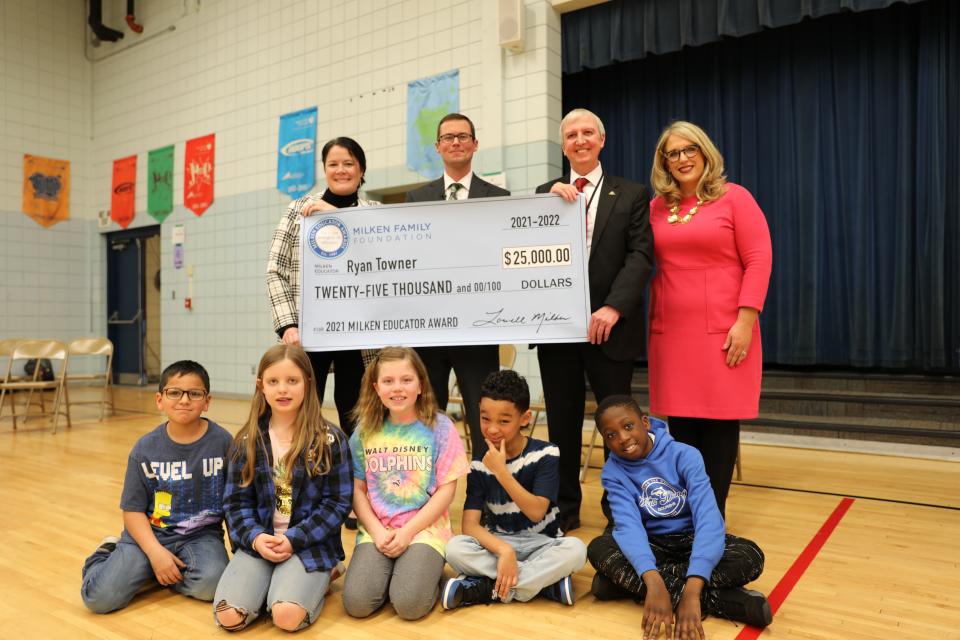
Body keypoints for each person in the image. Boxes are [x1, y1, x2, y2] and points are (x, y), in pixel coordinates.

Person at [535, 108, 654, 532]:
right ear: (563, 144)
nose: (580, 140)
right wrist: (543, 204)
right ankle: (565, 509)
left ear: (601, 140)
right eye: (571, 134)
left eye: (588, 133)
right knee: (562, 426)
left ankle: (619, 509)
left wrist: (613, 307)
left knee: (617, 426)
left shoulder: (633, 193)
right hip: (557, 332)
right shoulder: (544, 194)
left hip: (611, 329)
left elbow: (640, 257)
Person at [648, 121, 772, 518]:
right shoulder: (655, 208)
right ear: (664, 162)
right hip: (672, 333)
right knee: (682, 430)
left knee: (718, 425)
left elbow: (759, 259)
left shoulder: (735, 198)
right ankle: (686, 514)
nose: (682, 159)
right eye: (673, 153)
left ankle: (712, 516)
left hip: (725, 330)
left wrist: (746, 320)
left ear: (704, 153)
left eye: (689, 150)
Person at [587, 395, 771, 639]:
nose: (622, 438)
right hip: (653, 545)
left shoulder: (685, 455)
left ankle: (628, 586)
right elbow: (629, 527)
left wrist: (693, 590)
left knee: (751, 556)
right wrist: (653, 581)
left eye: (628, 426)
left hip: (691, 539)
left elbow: (708, 519)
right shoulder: (612, 472)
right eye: (610, 435)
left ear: (645, 422)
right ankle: (727, 602)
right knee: (598, 548)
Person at [213, 345, 352, 632]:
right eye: (273, 382)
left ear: (308, 384)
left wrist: (293, 539)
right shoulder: (246, 441)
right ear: (260, 387)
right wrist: (255, 538)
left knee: (286, 617)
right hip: (260, 544)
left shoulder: (330, 440)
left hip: (308, 545)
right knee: (229, 617)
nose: (283, 390)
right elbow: (235, 504)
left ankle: (324, 573)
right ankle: (277, 582)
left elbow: (337, 504)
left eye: (293, 381)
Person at [80, 361, 231, 614]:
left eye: (194, 393)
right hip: (148, 537)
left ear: (207, 401)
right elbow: (132, 510)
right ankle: (106, 555)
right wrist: (154, 552)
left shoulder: (222, 442)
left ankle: (155, 573)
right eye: (175, 392)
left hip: (201, 537)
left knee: (212, 585)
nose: (184, 400)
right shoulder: (145, 449)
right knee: (99, 599)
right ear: (160, 399)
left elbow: (233, 502)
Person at [406, 113, 509, 458]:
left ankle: (486, 500)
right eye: (448, 137)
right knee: (426, 421)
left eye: (463, 136)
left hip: (478, 331)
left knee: (486, 421)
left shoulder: (499, 197)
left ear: (475, 144)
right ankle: (427, 499)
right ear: (437, 147)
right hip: (429, 332)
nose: (455, 143)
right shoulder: (416, 199)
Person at [342, 346, 469, 620]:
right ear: (376, 387)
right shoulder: (365, 431)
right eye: (388, 381)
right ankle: (402, 572)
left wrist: (408, 532)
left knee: (410, 605)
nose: (397, 388)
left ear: (421, 385)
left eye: (406, 380)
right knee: (357, 603)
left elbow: (447, 491)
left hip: (424, 529)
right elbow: (358, 490)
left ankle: (430, 571)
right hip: (379, 532)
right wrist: (376, 531)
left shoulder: (440, 428)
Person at [442, 370, 587, 609]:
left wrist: (501, 472)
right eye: (485, 418)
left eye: (504, 421)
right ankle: (543, 584)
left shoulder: (546, 453)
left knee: (576, 550)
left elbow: (536, 512)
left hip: (542, 542)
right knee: (454, 549)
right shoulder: (479, 463)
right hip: (498, 544)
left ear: (525, 418)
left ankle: (489, 588)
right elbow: (469, 525)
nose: (492, 429)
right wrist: (504, 550)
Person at [267, 136, 379, 436]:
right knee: (299, 410)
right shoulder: (299, 209)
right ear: (325, 169)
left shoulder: (376, 214)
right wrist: (288, 325)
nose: (341, 170)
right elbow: (275, 270)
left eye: (349, 164)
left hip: (357, 334)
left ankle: (355, 478)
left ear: (362, 169)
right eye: (333, 164)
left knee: (355, 410)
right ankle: (294, 478)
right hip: (307, 332)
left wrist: (335, 216)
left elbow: (383, 265)